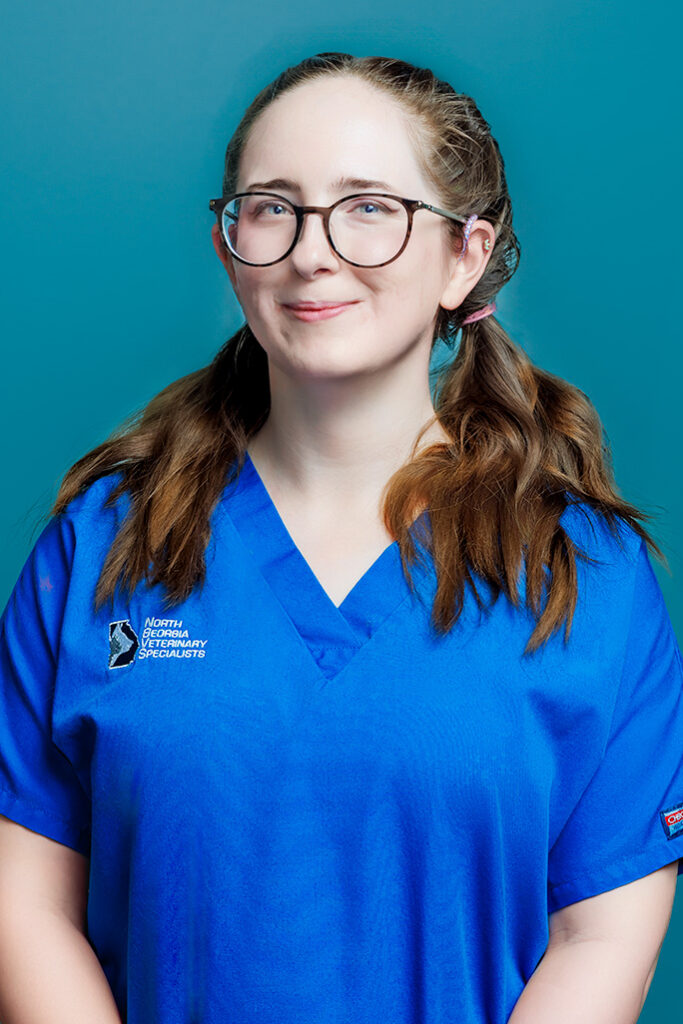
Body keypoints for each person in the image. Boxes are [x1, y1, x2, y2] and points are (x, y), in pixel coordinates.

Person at [0, 51, 682, 1024]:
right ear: (230, 246)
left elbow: (599, 936)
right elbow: (23, 903)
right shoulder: (98, 548)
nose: (311, 251)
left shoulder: (589, 580)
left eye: (369, 207)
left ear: (462, 256)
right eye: (272, 207)